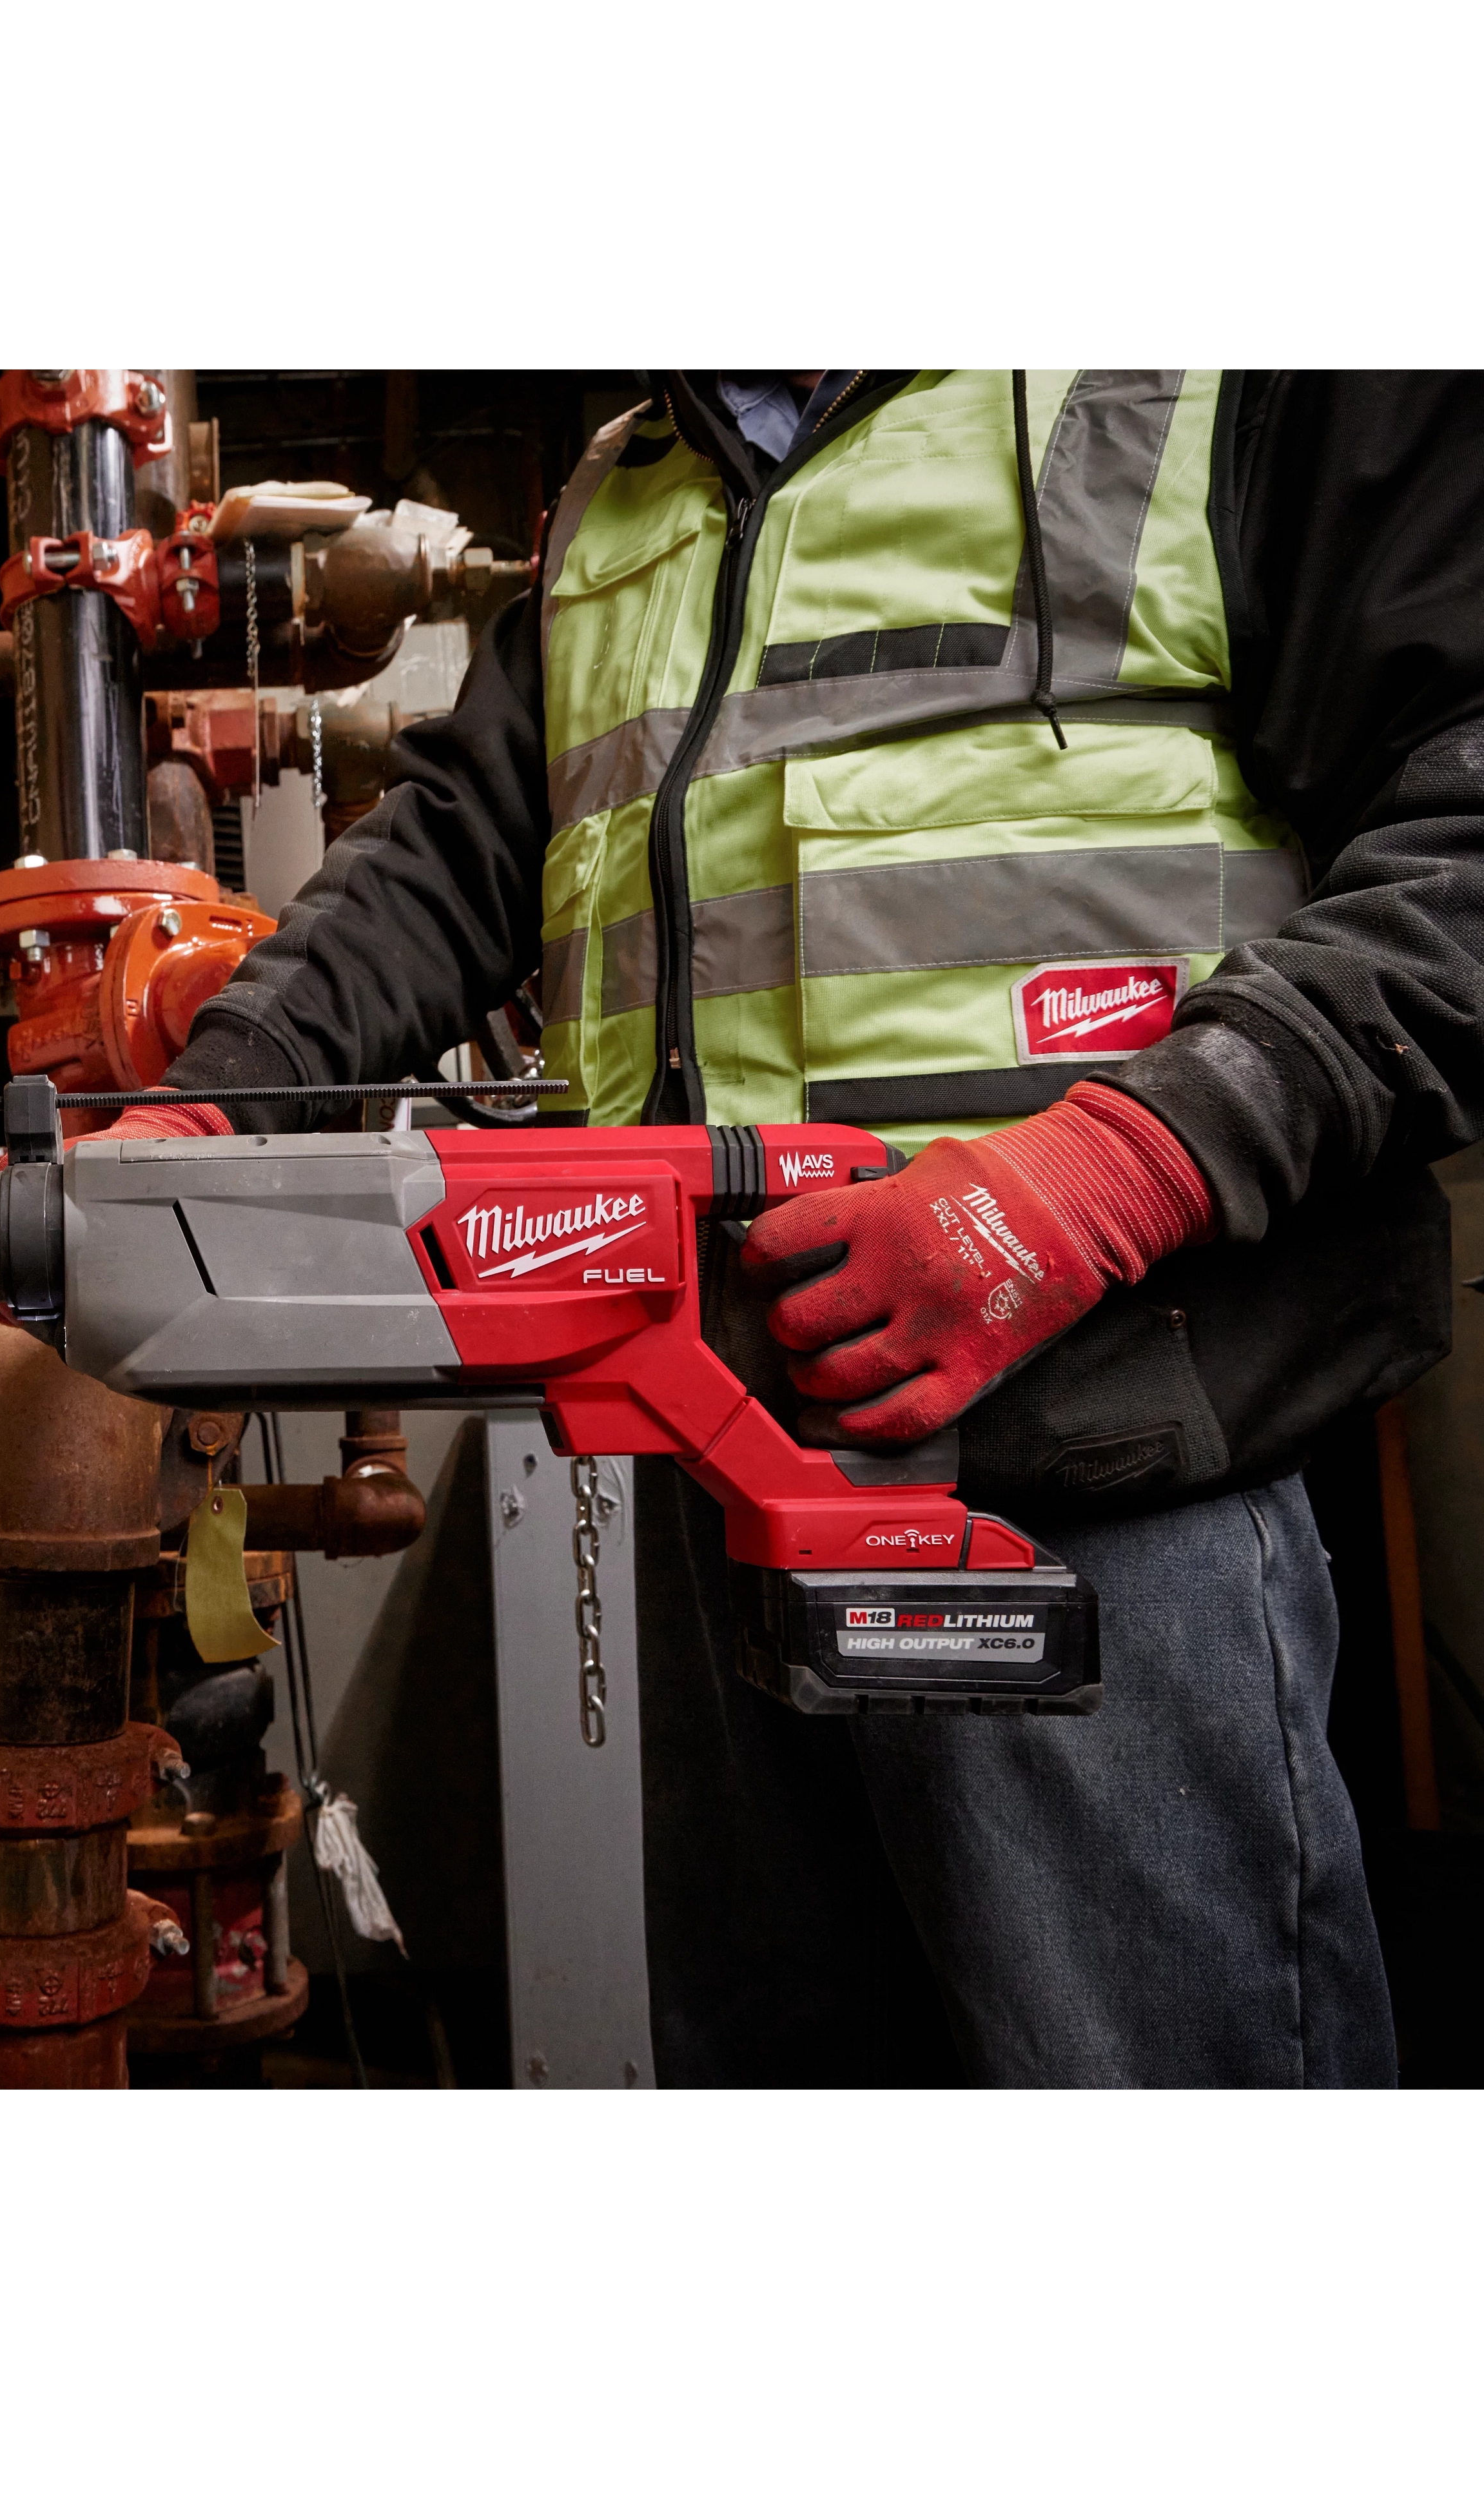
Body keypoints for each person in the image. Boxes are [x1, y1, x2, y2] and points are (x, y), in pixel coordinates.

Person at [93, 369, 1484, 2089]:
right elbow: (458, 848)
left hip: (1101, 1478)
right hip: (720, 1469)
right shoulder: (630, 485)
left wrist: (1121, 1170)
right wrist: (211, 1109)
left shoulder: (1209, 393)